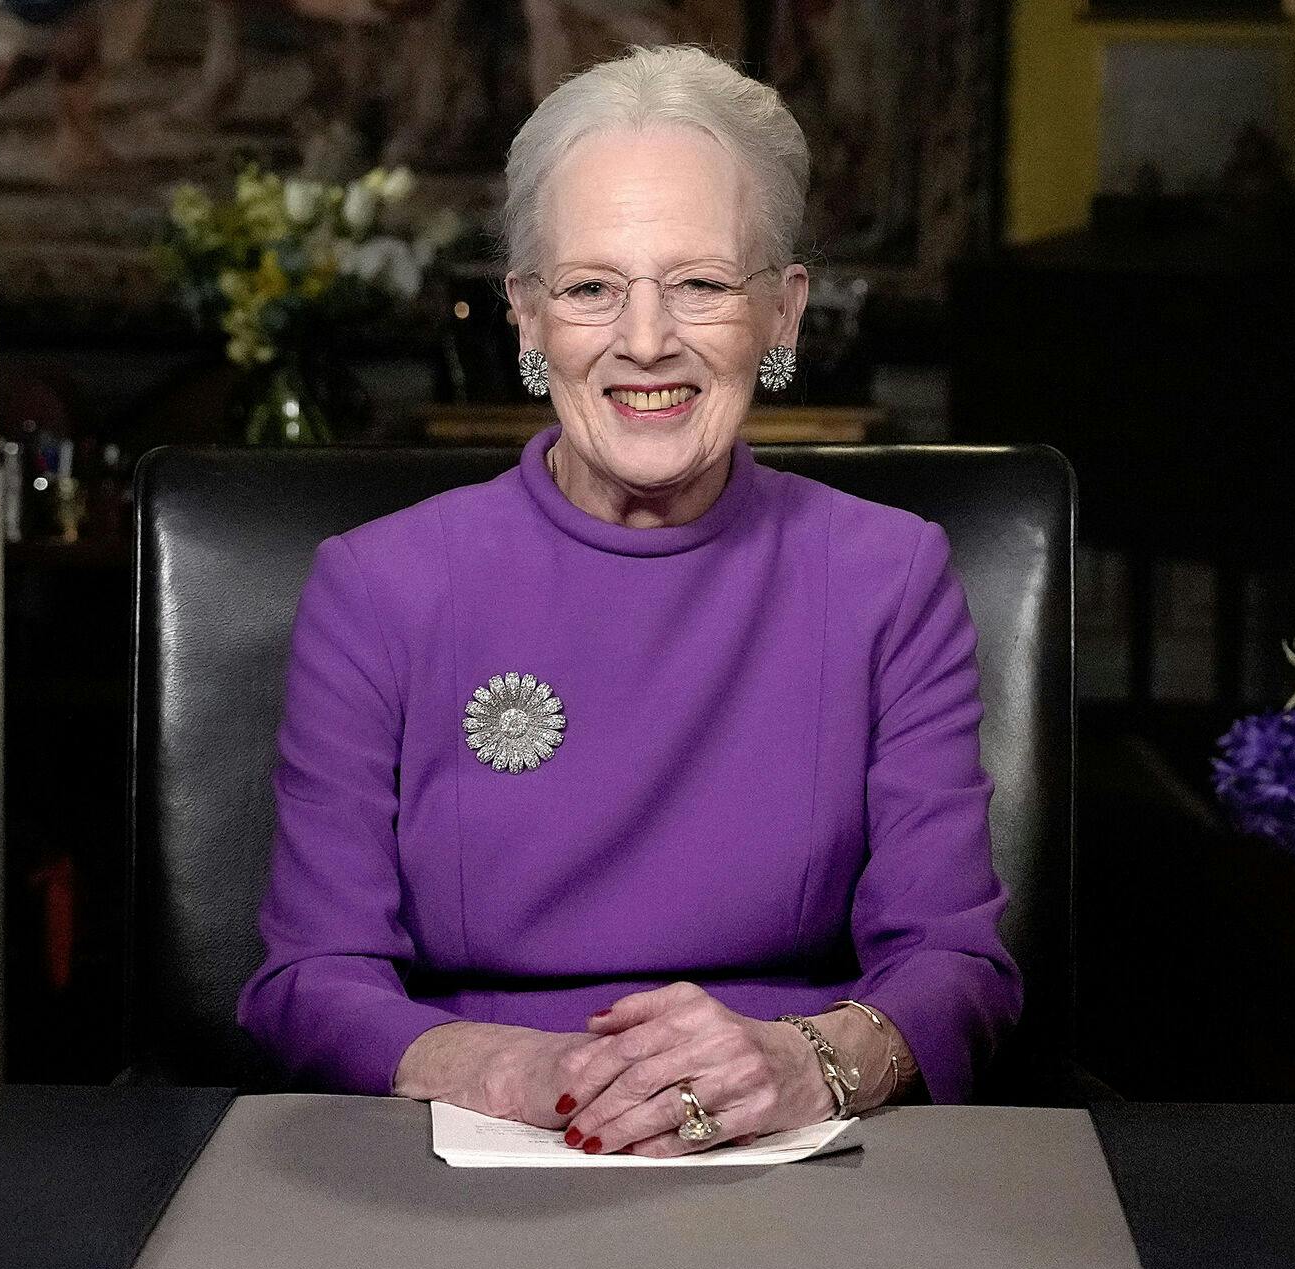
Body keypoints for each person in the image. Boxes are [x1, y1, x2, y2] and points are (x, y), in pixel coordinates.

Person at [238, 44, 1021, 1158]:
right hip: (466, 1149)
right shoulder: (379, 585)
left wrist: (806, 1060)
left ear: (782, 314)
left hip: (793, 1154)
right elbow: (310, 977)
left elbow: (957, 965)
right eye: (592, 286)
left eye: (701, 284)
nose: (645, 341)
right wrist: (523, 1069)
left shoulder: (889, 576)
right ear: (525, 316)